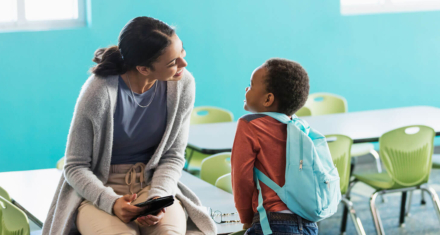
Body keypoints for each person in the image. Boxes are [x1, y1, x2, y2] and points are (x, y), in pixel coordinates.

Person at [42, 16, 216, 235]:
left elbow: (172, 156)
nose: (184, 64)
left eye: (182, 52)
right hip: (99, 190)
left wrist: (158, 197)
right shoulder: (99, 91)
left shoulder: (183, 84)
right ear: (143, 68)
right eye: (173, 62)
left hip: (152, 184)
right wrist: (112, 202)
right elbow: (75, 166)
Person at [231, 58, 318, 235]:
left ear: (268, 99)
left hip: (272, 223)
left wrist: (246, 218)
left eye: (251, 85)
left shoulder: (249, 125)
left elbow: (241, 179)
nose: (247, 89)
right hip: (308, 222)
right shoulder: (299, 126)